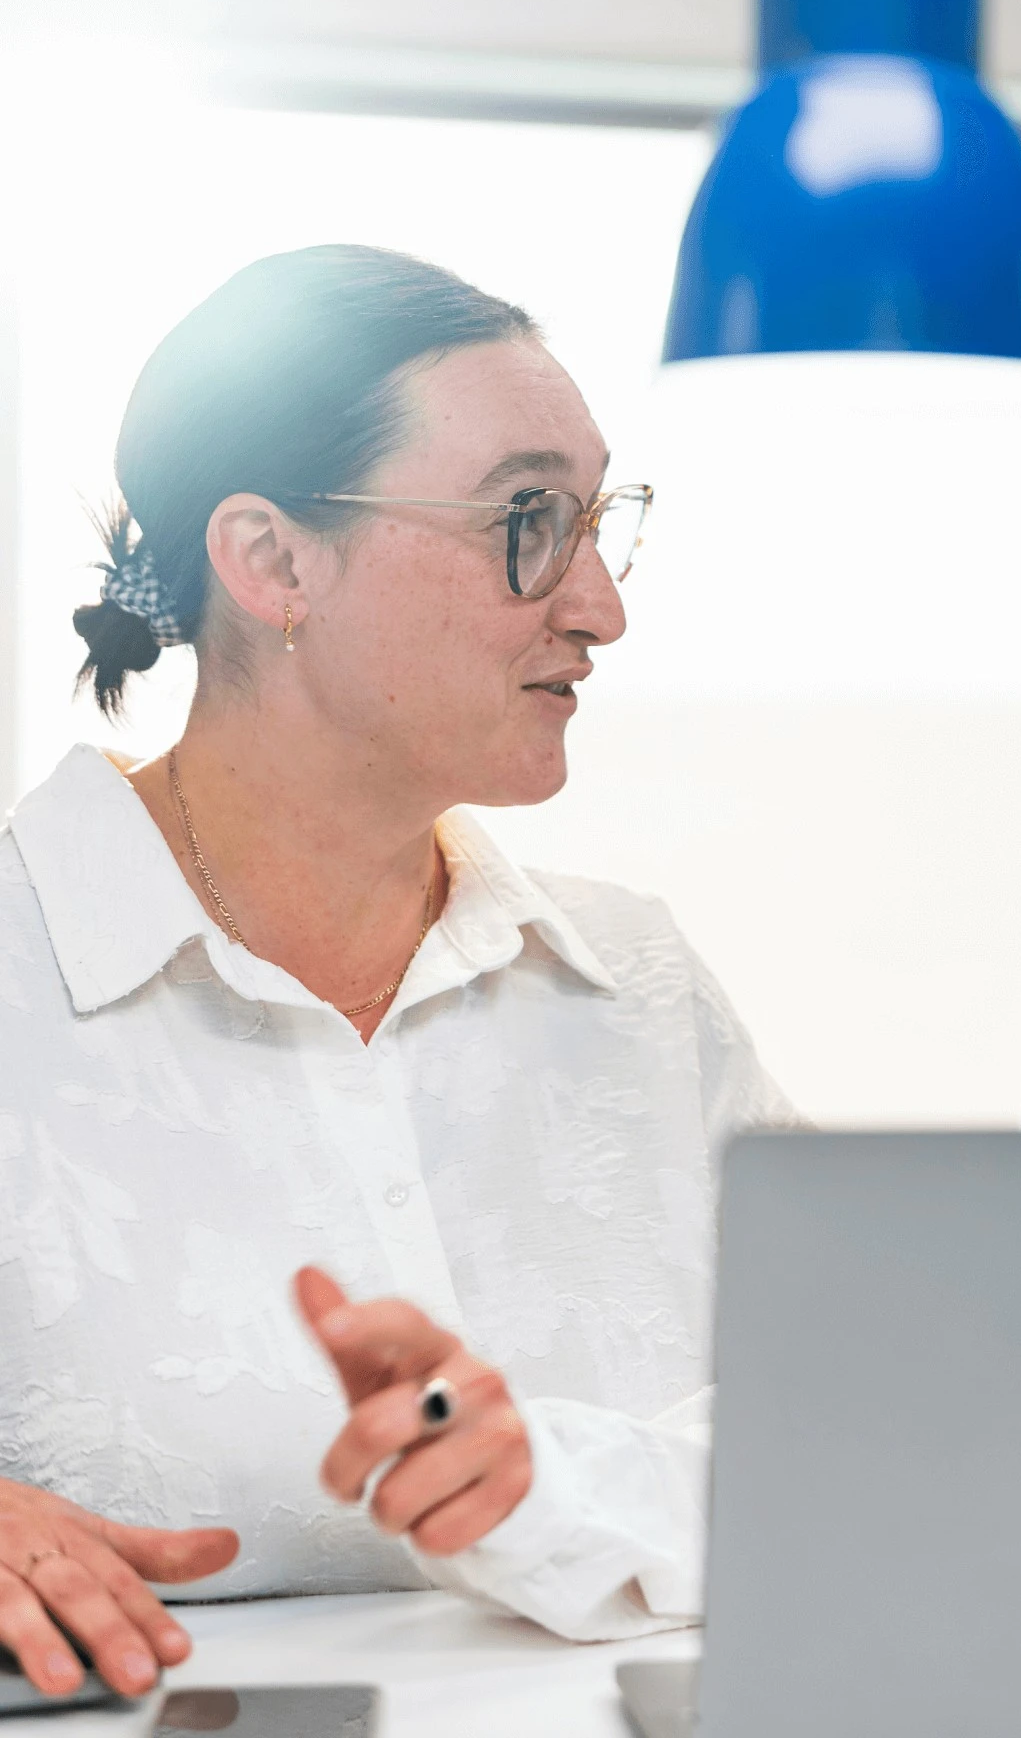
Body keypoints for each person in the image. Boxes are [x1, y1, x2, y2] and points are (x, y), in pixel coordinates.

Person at [0, 245, 795, 1700]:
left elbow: (886, 1418)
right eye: (527, 521)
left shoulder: (639, 985)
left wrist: (557, 1482)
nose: (599, 606)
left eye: (599, 520)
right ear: (272, 563)